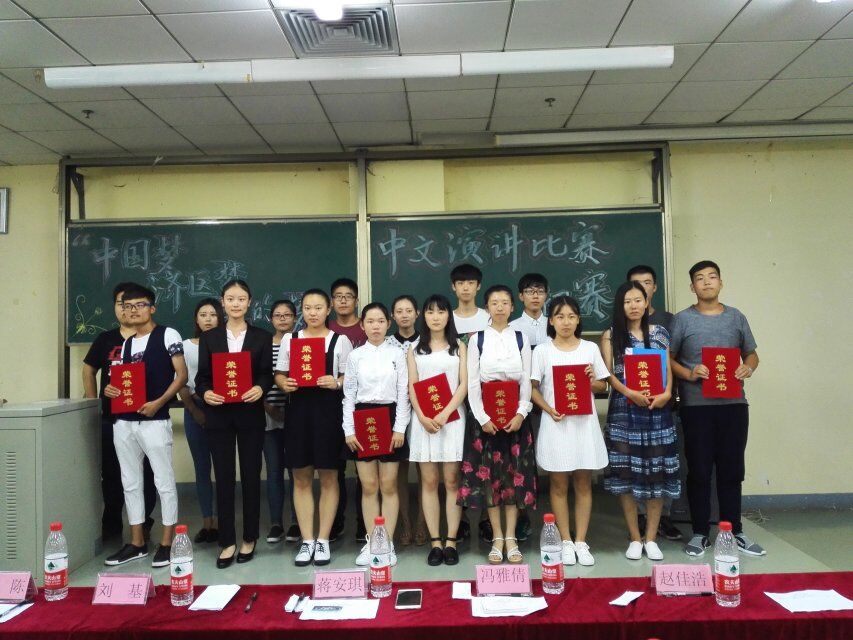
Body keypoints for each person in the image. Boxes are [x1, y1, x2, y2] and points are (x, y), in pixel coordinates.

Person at [669, 260, 763, 557]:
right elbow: (667, 359)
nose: (707, 282)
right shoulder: (682, 320)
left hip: (734, 406)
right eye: (700, 278)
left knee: (731, 470)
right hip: (696, 407)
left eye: (712, 277)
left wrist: (748, 368)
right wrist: (689, 373)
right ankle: (700, 533)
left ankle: (734, 531)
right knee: (698, 470)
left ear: (721, 282)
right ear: (692, 286)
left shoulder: (736, 317)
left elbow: (752, 355)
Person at [102, 284, 187, 568]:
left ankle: (167, 542)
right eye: (127, 306)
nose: (133, 311)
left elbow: (181, 375)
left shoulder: (167, 334)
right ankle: (136, 542)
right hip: (124, 422)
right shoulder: (127, 344)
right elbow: (124, 381)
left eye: (139, 305)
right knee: (130, 481)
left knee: (163, 480)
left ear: (152, 308)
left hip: (154, 420)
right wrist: (111, 390)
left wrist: (159, 402)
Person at [195, 280, 273, 568]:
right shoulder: (210, 337)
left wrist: (260, 388)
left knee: (251, 475)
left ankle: (249, 537)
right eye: (230, 299)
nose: (236, 303)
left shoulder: (262, 337)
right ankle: (226, 541)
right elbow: (202, 377)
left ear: (249, 302)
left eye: (241, 299)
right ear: (223, 302)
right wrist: (205, 392)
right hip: (219, 415)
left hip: (250, 413)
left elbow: (266, 373)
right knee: (224, 477)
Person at [600, 282, 680, 562]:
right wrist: (629, 393)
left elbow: (667, 368)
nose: (633, 306)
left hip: (657, 410)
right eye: (627, 301)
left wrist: (667, 393)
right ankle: (635, 537)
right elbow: (608, 375)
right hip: (625, 410)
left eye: (638, 300)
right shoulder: (611, 336)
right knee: (626, 475)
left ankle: (652, 538)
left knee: (656, 472)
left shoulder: (660, 333)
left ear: (646, 303)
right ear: (620, 306)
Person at [458, 285, 537, 565]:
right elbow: (472, 381)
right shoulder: (476, 339)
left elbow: (526, 379)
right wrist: (482, 417)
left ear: (512, 307)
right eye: (495, 302)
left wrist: (522, 412)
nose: (500, 307)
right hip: (486, 420)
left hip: (515, 418)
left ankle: (511, 537)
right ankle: (497, 538)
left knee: (514, 478)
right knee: (490, 479)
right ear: (487, 307)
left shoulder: (521, 338)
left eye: (505, 302)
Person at [275, 288, 353, 566]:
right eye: (308, 308)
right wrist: (284, 384)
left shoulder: (340, 341)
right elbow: (280, 374)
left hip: (328, 414)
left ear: (328, 309)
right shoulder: (291, 339)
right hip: (298, 414)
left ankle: (323, 540)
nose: (313, 313)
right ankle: (307, 540)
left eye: (318, 307)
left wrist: (337, 382)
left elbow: (349, 376)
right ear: (302, 310)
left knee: (330, 476)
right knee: (301, 476)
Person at [531, 295, 609, 567]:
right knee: (558, 483)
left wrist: (591, 380)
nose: (566, 322)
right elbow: (532, 389)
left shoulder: (590, 348)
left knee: (584, 482)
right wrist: (548, 409)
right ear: (551, 321)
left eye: (571, 316)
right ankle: (565, 540)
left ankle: (581, 541)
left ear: (578, 320)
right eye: (560, 317)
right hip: (556, 424)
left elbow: (602, 386)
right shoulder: (542, 351)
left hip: (583, 425)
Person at [82, 282, 156, 541]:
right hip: (111, 419)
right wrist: (93, 402)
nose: (128, 309)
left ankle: (144, 521)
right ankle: (112, 520)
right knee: (112, 472)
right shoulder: (106, 339)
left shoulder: (154, 338)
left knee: (147, 472)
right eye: (122, 304)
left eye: (135, 304)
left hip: (146, 416)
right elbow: (88, 370)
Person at [343, 302, 411, 567]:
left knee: (389, 484)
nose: (375, 326)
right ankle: (373, 541)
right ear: (362, 325)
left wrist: (399, 427)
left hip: (390, 416)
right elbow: (349, 395)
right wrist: (349, 429)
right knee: (369, 485)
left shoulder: (397, 354)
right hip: (363, 418)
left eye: (381, 321)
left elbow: (404, 393)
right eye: (370, 321)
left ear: (388, 324)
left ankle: (388, 543)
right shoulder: (355, 356)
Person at [407, 294, 468, 566]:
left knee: (452, 481)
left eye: (441, 311)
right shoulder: (415, 349)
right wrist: (421, 416)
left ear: (448, 316)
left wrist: (445, 413)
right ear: (423, 316)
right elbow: (412, 385)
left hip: (452, 419)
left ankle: (451, 541)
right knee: (429, 482)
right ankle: (435, 542)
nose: (435, 317)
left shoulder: (459, 347)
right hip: (424, 422)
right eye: (430, 312)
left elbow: (464, 384)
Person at [627, 264, 683, 542]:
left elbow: (672, 361)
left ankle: (663, 519)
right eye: (635, 286)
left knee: (661, 463)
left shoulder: (667, 323)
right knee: (634, 463)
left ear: (654, 288)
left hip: (661, 404)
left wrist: (668, 392)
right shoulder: (617, 329)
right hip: (630, 406)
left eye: (646, 283)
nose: (640, 291)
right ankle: (640, 520)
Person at [178, 297, 223, 544]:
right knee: (202, 468)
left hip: (222, 409)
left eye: (213, 315)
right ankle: (208, 523)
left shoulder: (227, 344)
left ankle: (223, 521)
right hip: (194, 408)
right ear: (196, 319)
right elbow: (181, 381)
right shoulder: (186, 346)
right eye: (203, 315)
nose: (208, 319)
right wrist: (194, 409)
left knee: (223, 467)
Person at [508, 272, 550, 542]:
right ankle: (522, 516)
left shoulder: (555, 323)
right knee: (521, 461)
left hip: (551, 401)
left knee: (552, 459)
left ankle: (553, 518)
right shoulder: (512, 328)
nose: (535, 296)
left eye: (540, 291)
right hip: (521, 403)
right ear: (520, 296)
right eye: (530, 291)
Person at [328, 277, 366, 542]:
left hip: (364, 406)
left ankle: (364, 523)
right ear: (331, 302)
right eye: (338, 296)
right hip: (332, 406)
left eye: (348, 296)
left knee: (364, 468)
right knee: (336, 467)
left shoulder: (367, 327)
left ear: (356, 301)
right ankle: (337, 520)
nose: (343, 300)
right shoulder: (325, 329)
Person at [389, 294, 424, 546]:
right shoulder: (387, 344)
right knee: (398, 471)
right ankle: (405, 523)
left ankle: (422, 523)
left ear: (417, 314)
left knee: (425, 472)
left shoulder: (427, 342)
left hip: (424, 411)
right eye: (399, 311)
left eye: (408, 310)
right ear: (392, 316)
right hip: (395, 413)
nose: (404, 315)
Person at [263, 300, 299, 544]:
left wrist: (289, 410)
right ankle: (276, 523)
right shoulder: (263, 345)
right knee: (274, 470)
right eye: (278, 315)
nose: (283, 319)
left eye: (287, 315)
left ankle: (297, 522)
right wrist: (268, 408)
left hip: (295, 415)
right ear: (271, 319)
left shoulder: (302, 343)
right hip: (267, 415)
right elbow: (253, 378)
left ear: (295, 318)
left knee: (297, 470)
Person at [450, 263, 490, 336]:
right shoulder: (446, 319)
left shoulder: (489, 317)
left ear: (478, 286)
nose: (465, 288)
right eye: (460, 283)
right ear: (453, 286)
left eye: (471, 283)